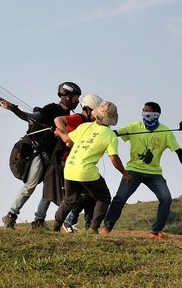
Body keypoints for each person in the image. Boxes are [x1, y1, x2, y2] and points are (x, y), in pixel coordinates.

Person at [100, 102, 182, 239]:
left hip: (154, 174)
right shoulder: (134, 127)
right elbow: (114, 134)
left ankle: (155, 232)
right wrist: (101, 130)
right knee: (120, 198)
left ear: (155, 114)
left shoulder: (166, 132)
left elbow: (179, 152)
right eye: (143, 110)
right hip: (133, 171)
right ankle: (107, 226)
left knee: (166, 198)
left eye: (147, 111)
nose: (144, 113)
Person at [0, 81, 81, 230]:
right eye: (76, 97)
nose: (77, 101)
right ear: (67, 97)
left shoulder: (68, 116)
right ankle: (10, 215)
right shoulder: (52, 108)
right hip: (40, 152)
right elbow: (31, 117)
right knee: (31, 184)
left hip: (53, 157)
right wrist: (12, 108)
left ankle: (39, 221)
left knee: (48, 191)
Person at [51, 99, 131, 234]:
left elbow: (67, 140)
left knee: (69, 199)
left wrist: (59, 133)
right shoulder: (110, 135)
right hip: (86, 171)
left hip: (70, 167)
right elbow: (114, 158)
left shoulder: (84, 126)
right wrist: (125, 173)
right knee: (104, 197)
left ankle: (55, 228)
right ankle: (93, 229)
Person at [53, 93, 102, 232]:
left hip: (80, 162)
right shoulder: (78, 118)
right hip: (72, 162)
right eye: (95, 112)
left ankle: (85, 225)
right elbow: (58, 120)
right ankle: (68, 222)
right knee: (79, 196)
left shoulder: (89, 124)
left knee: (86, 195)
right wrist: (66, 137)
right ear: (88, 109)